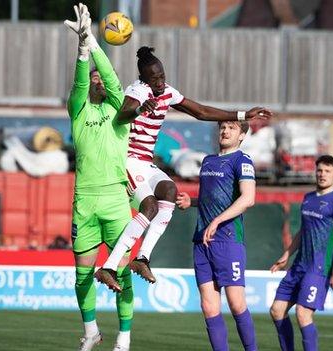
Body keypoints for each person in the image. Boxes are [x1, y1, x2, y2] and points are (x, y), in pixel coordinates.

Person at [95, 46, 273, 292]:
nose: (159, 82)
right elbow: (122, 114)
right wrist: (138, 109)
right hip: (126, 161)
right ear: (144, 78)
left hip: (145, 163)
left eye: (162, 76)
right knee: (150, 206)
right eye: (154, 78)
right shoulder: (138, 90)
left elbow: (200, 111)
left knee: (169, 190)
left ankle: (142, 259)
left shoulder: (167, 92)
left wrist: (243, 114)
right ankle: (109, 267)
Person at [64, 4, 133, 351]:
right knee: (82, 274)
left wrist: (94, 44)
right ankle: (91, 330)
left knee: (121, 272)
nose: (98, 81)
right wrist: (80, 50)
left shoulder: (119, 110)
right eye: (94, 78)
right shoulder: (78, 111)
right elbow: (78, 83)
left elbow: (114, 80)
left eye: (100, 79)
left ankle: (124, 336)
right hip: (84, 201)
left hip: (116, 200)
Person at [176, 120, 259, 351]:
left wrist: (218, 220)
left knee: (236, 303)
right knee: (209, 307)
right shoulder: (208, 160)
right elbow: (211, 199)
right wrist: (191, 202)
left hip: (228, 240)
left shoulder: (242, 160)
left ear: (242, 135)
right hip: (202, 241)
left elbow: (248, 198)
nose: (225, 130)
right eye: (223, 126)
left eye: (232, 128)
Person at [269, 155, 333, 351]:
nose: (322, 174)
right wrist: (287, 254)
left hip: (318, 269)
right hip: (298, 266)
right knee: (276, 310)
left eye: (327, 171)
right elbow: (302, 231)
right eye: (320, 170)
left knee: (303, 313)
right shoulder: (308, 199)